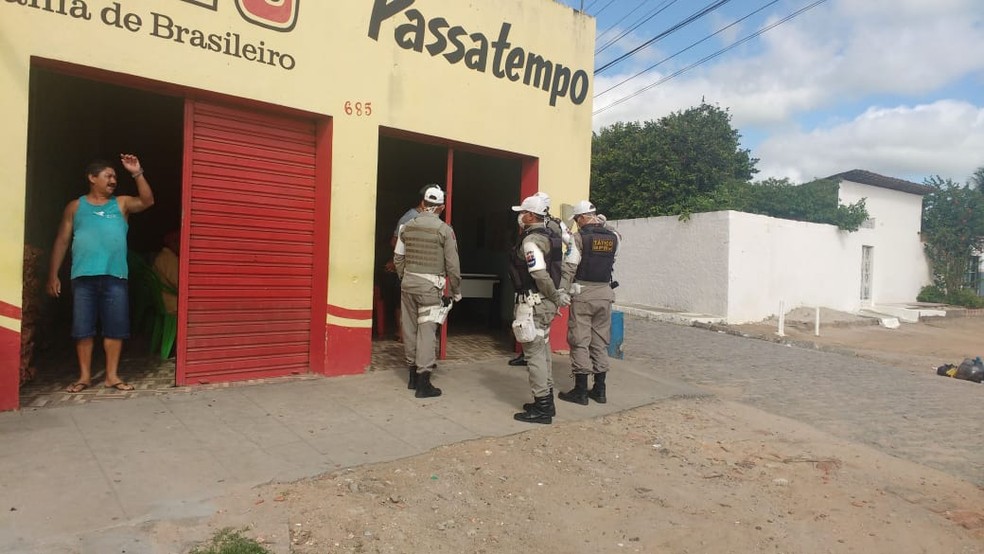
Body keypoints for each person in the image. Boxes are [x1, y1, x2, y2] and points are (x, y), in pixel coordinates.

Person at [47, 154, 155, 392]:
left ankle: (112, 376)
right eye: (108, 176)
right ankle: (84, 377)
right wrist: (53, 275)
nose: (113, 180)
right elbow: (62, 241)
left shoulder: (122, 204)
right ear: (92, 178)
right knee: (83, 329)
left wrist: (137, 172)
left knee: (115, 328)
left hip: (115, 276)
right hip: (83, 277)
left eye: (115, 176)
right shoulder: (75, 207)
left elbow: (147, 201)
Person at [393, 185, 462, 398]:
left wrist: (405, 278)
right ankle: (424, 383)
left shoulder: (407, 227)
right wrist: (456, 290)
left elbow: (398, 258)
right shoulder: (444, 230)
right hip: (430, 288)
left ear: (423, 203)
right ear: (441, 207)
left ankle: (412, 377)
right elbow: (453, 265)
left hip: (408, 284)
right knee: (426, 332)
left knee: (410, 330)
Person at [509, 194, 570, 424]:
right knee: (543, 351)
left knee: (533, 354)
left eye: (522, 212)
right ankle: (546, 402)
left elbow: (539, 274)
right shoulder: (552, 236)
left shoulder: (530, 241)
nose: (520, 216)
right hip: (545, 304)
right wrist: (557, 295)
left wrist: (554, 295)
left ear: (531, 215)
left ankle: (542, 407)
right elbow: (566, 265)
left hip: (535, 303)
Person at [557, 200, 620, 405]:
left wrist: (562, 292)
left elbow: (569, 267)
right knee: (600, 341)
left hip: (583, 294)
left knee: (579, 341)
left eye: (577, 219)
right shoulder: (614, 237)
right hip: (605, 293)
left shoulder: (579, 238)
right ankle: (600, 390)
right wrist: (605, 225)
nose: (576, 223)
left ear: (583, 217)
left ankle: (581, 391)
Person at [153, 229, 180, 314]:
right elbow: (179, 283)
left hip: (165, 303)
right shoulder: (168, 259)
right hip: (172, 306)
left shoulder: (164, 258)